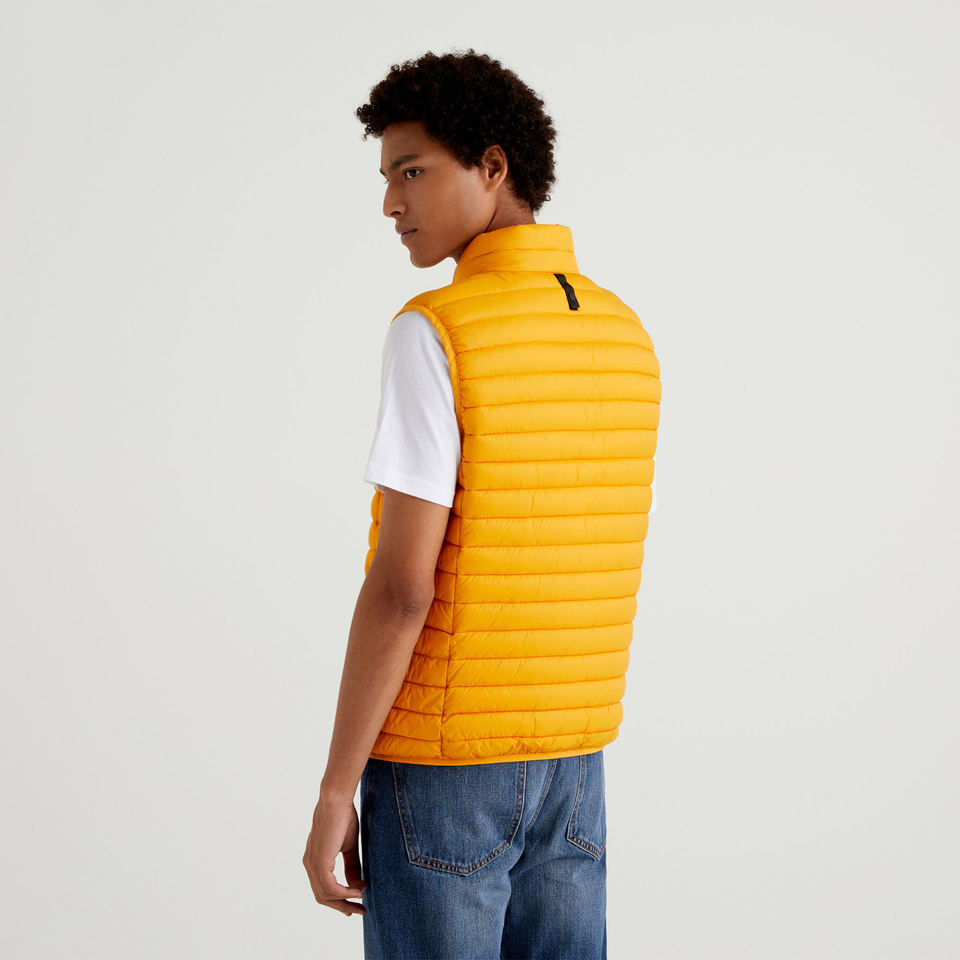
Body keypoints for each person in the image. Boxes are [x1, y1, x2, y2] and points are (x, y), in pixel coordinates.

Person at [303, 49, 660, 960]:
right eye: (387, 180)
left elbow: (402, 589)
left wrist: (337, 787)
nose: (392, 204)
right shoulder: (624, 331)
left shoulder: (437, 332)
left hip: (443, 771)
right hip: (575, 766)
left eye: (411, 172)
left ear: (493, 166)